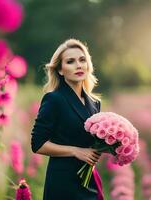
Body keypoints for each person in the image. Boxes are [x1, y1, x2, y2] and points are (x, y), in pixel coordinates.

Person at [31, 38, 104, 200]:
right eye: (70, 62)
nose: (78, 65)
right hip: (63, 183)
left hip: (88, 181)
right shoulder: (53, 99)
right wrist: (75, 151)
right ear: (60, 70)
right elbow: (37, 144)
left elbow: (91, 143)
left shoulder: (95, 103)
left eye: (82, 60)